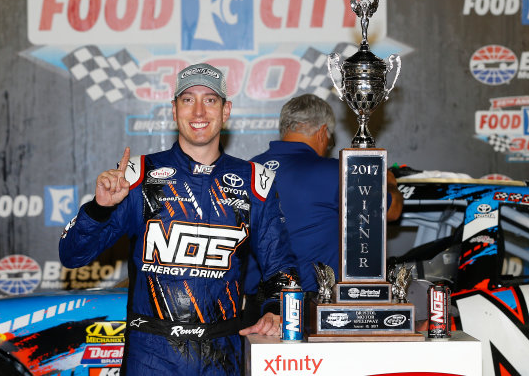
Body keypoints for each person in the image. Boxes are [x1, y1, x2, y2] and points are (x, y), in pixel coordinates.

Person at [59, 63, 300, 376]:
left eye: (210, 100)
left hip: (222, 356)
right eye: (187, 100)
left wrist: (275, 310)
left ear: (226, 111)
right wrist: (100, 209)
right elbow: (72, 255)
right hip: (151, 356)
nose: (198, 111)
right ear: (174, 111)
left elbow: (282, 268)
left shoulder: (255, 181)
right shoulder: (137, 176)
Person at [243, 94, 403, 300]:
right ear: (322, 133)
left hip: (253, 306)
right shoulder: (337, 172)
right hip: (310, 307)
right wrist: (389, 181)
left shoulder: (247, 170)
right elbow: (392, 211)